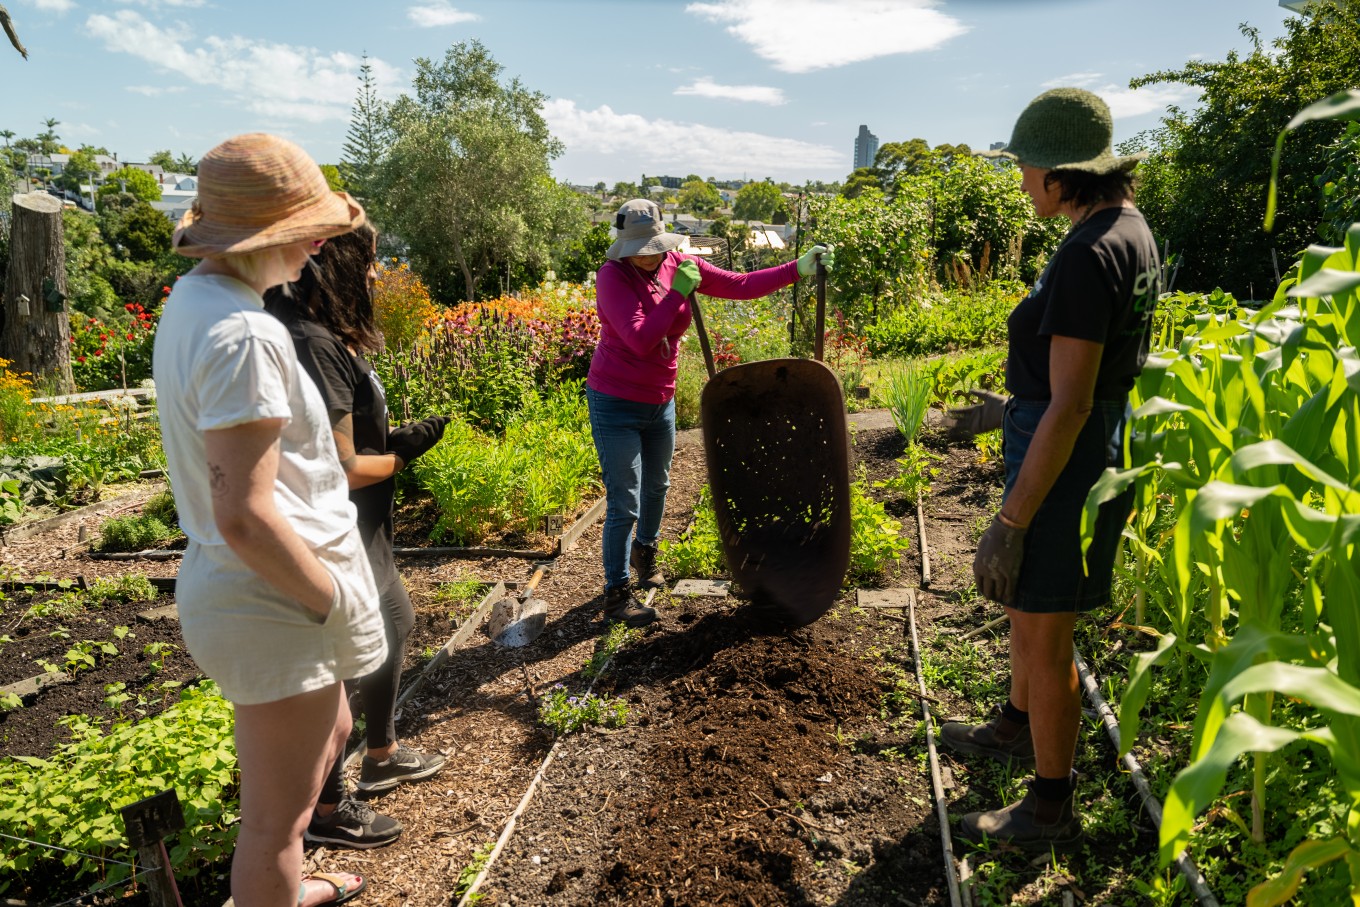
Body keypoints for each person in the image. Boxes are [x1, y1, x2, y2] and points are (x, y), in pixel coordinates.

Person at [153, 133, 385, 907]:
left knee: (334, 730)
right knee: (273, 827)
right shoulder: (245, 334)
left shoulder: (198, 302)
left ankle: (281, 886)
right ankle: (272, 888)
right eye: (304, 227)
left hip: (257, 595)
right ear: (261, 236)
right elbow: (245, 515)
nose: (319, 241)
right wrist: (329, 598)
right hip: (274, 598)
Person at [938, 88, 1161, 851]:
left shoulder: (1089, 252)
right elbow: (1084, 380)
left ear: (1064, 177)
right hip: (1071, 434)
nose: (1022, 183)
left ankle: (1047, 808)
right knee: (1027, 610)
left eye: (1028, 170)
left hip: (1067, 455)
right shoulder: (1127, 231)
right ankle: (1014, 722)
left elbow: (1070, 407)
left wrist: (1010, 522)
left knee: (1046, 626)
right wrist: (1006, 408)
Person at [263, 224, 448, 848]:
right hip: (342, 522)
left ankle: (380, 753)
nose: (375, 275)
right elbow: (342, 467)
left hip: (363, 521)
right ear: (338, 267)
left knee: (393, 618)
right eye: (369, 263)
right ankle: (325, 806)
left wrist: (388, 445)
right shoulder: (312, 344)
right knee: (346, 655)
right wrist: (402, 455)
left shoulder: (319, 336)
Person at [587, 198, 833, 627]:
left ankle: (645, 554)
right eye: (639, 249)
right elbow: (640, 339)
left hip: (659, 400)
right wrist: (679, 292)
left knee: (659, 485)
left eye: (652, 246)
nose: (647, 255)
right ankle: (616, 593)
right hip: (615, 402)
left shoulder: (676, 264)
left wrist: (797, 269)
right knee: (624, 499)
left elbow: (739, 284)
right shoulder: (612, 277)